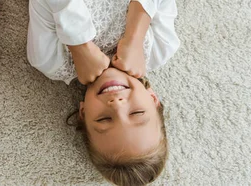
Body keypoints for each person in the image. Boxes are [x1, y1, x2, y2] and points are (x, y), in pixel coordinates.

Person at [27, 0, 180, 185]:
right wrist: (134, 37)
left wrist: (80, 46)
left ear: (83, 113)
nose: (117, 104)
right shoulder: (160, 48)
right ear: (153, 99)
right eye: (136, 113)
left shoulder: (50, 60)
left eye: (104, 119)